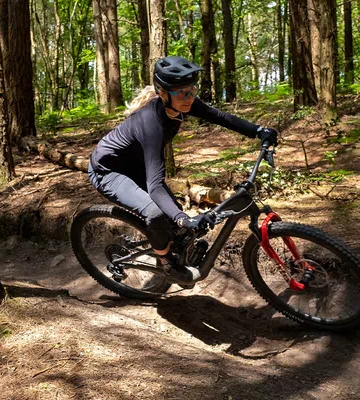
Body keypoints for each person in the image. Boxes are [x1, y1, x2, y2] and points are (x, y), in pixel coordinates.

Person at [87, 56, 278, 283]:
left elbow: (221, 117)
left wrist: (258, 130)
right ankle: (167, 263)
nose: (189, 98)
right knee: (156, 213)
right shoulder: (151, 124)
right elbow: (155, 186)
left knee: (174, 216)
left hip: (136, 164)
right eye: (181, 93)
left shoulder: (184, 104)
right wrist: (182, 218)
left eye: (192, 90)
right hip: (108, 171)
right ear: (163, 94)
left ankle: (175, 250)